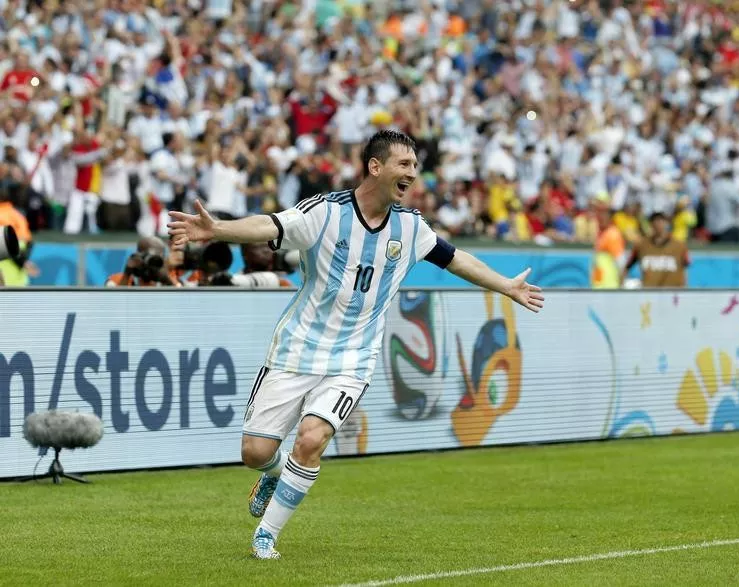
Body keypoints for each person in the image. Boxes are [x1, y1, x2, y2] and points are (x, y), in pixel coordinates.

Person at [167, 130, 545, 560]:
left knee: (311, 439)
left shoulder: (410, 226)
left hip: (353, 356)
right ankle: (271, 474)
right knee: (255, 452)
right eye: (404, 164)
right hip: (297, 348)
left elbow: (456, 259)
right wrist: (217, 229)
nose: (412, 173)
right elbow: (268, 226)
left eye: (415, 167)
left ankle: (266, 534)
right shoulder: (325, 213)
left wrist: (506, 286)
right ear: (375, 166)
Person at [622, 211, 690, 288]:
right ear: (651, 224)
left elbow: (685, 268)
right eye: (655, 221)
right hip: (649, 294)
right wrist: (621, 286)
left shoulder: (679, 246)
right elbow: (627, 267)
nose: (658, 225)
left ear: (666, 223)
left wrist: (684, 289)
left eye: (661, 221)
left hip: (672, 293)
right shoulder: (641, 245)